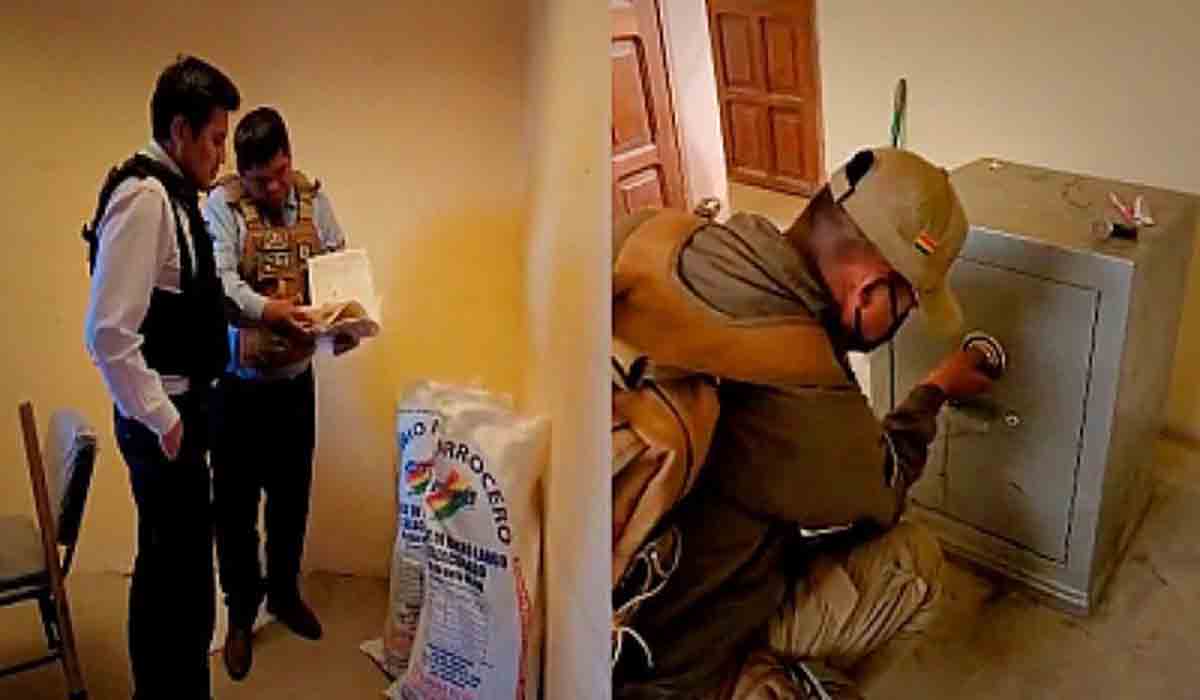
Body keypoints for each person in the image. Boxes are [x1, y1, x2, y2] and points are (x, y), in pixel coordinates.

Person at [611, 148, 996, 699]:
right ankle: (759, 681)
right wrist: (933, 391)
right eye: (907, 306)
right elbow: (882, 492)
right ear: (868, 288)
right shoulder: (803, 380)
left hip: (583, 641)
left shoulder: (657, 237)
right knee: (914, 566)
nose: (904, 320)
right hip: (682, 668)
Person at [83, 55, 240, 699]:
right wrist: (166, 421)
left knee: (179, 575)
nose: (220, 155)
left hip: (180, 413)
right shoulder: (145, 200)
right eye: (214, 139)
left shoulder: (174, 197)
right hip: (163, 423)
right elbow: (107, 333)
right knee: (171, 582)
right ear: (179, 130)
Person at [201, 106, 355, 681]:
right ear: (242, 173)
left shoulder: (314, 200)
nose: (273, 188)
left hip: (294, 385)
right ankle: (241, 616)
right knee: (235, 511)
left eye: (280, 173)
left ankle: (284, 595)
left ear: (290, 158)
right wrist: (270, 310)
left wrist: (347, 321)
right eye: (260, 179)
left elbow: (339, 266)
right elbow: (221, 283)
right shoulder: (221, 208)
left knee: (291, 501)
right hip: (236, 391)